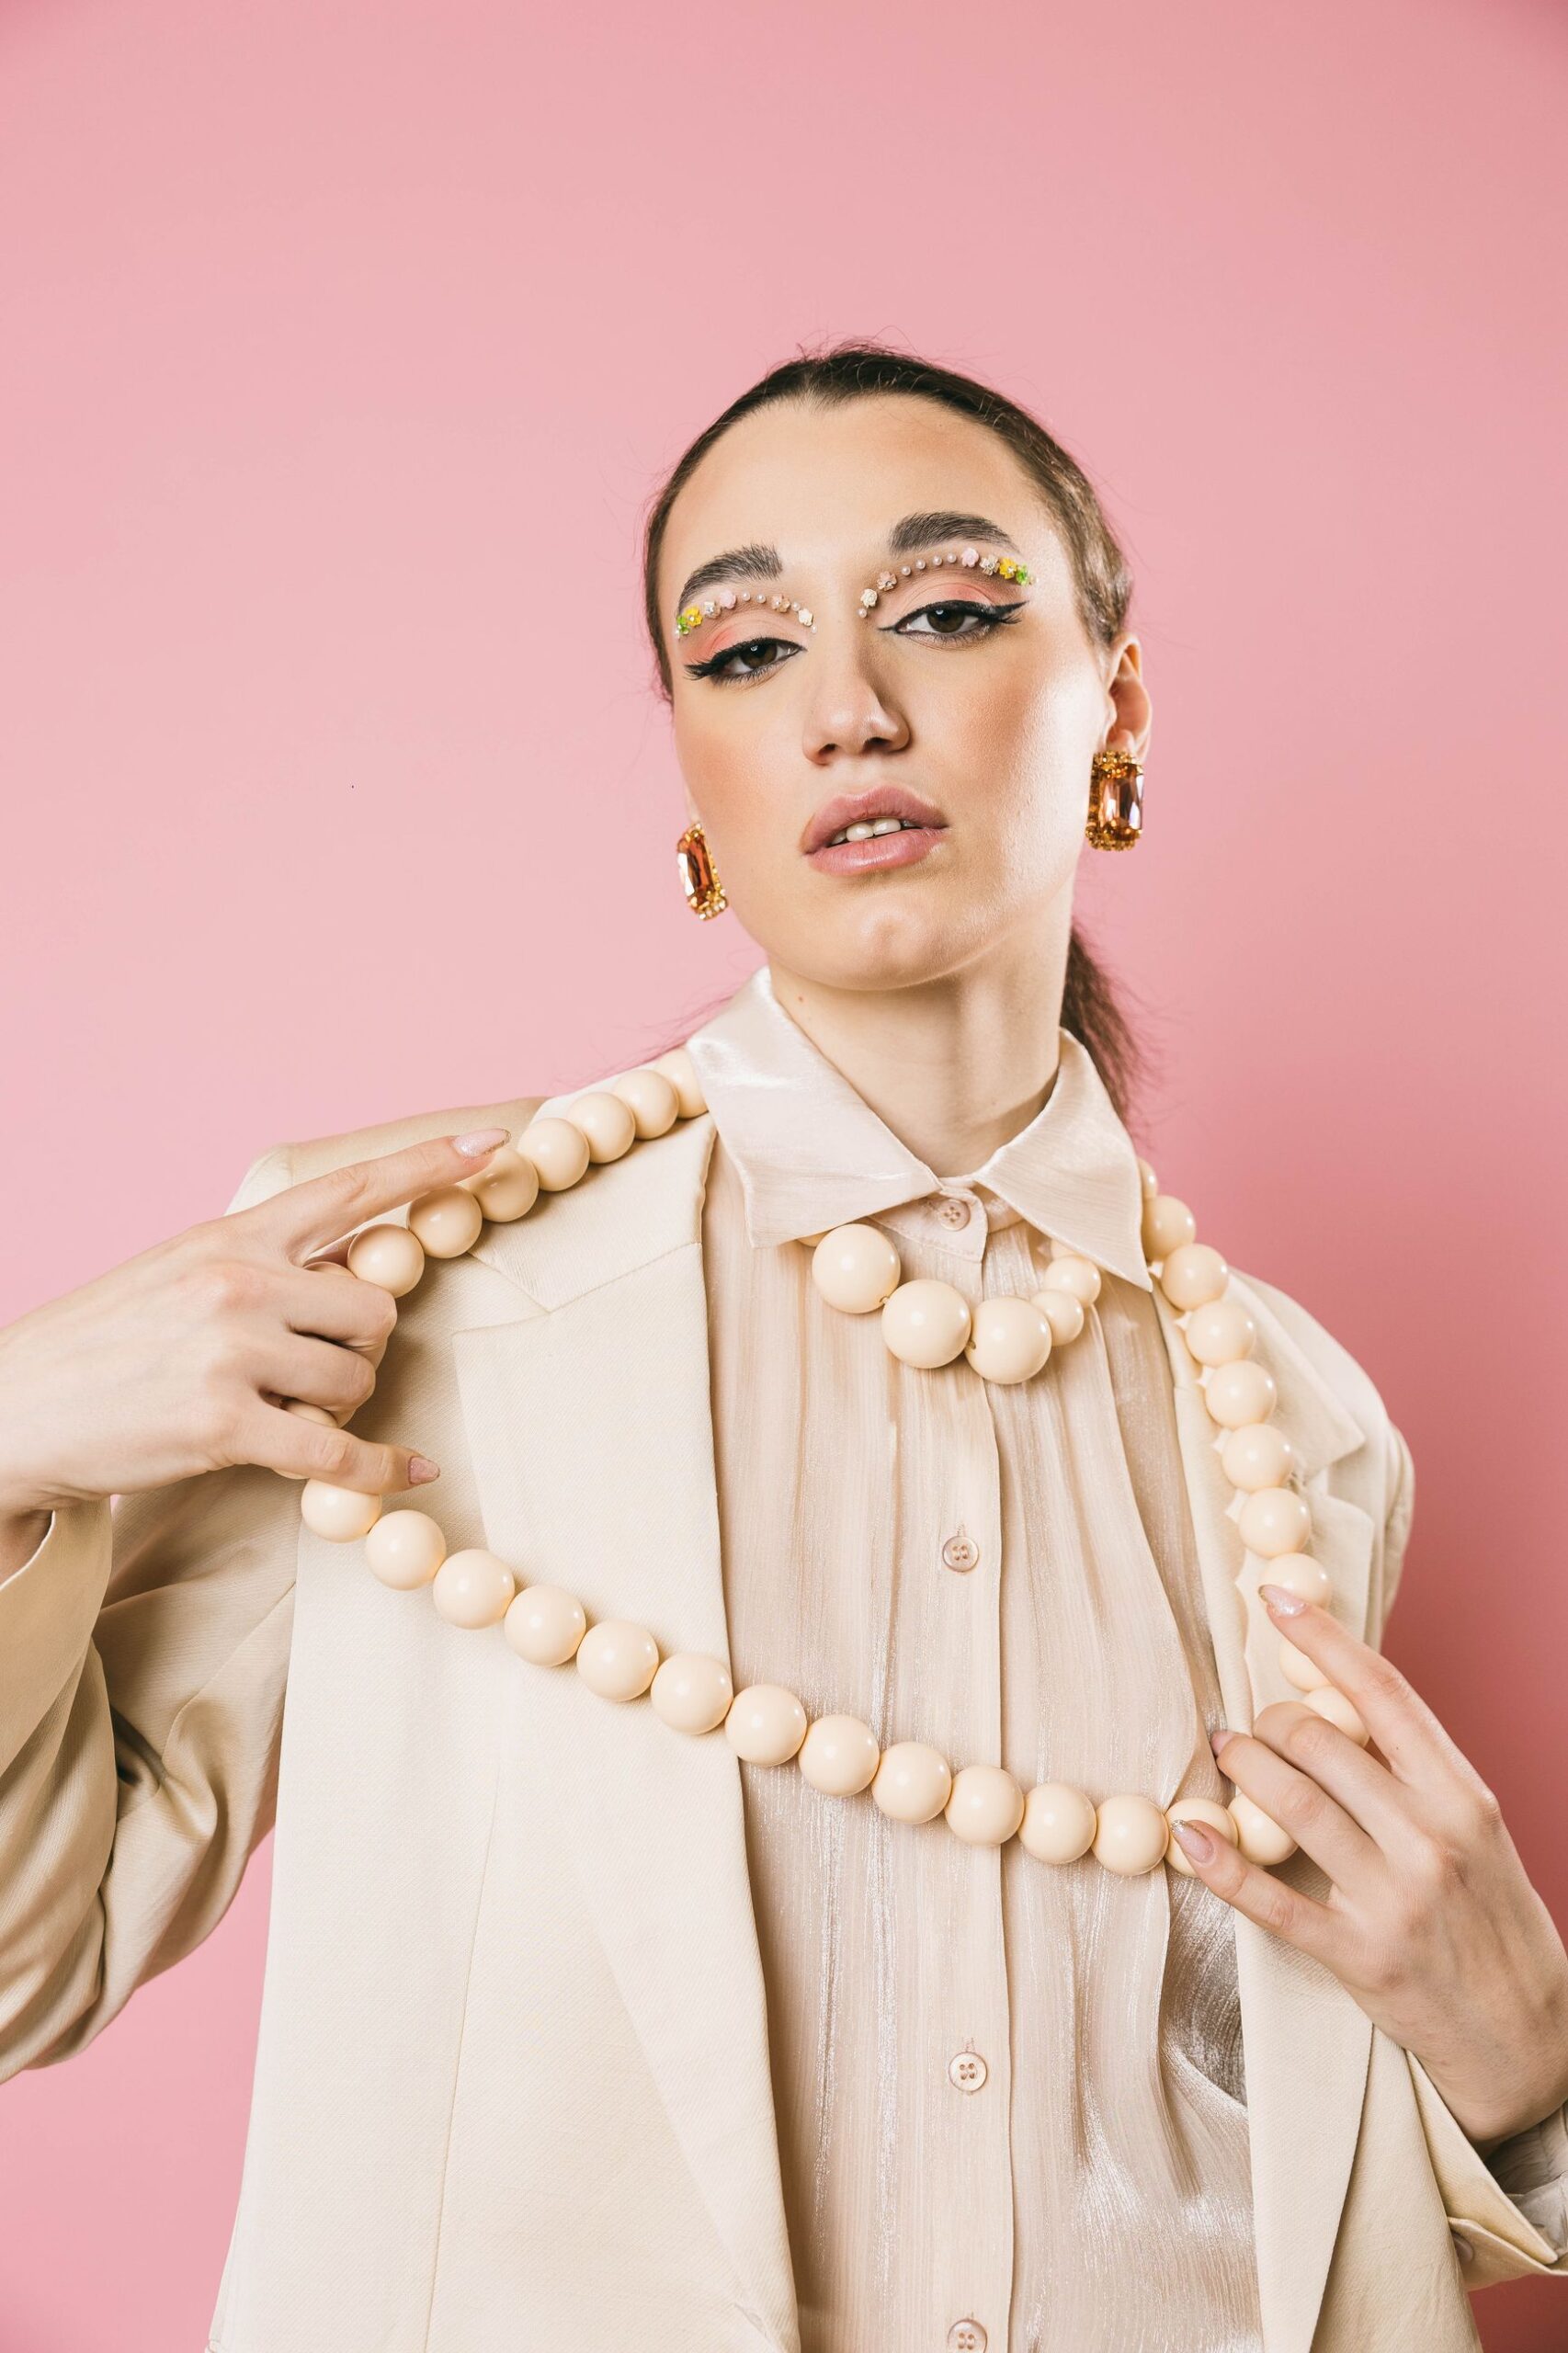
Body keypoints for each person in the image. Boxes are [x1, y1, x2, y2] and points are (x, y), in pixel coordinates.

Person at [1, 343, 1564, 2353]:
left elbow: (1262, 2148)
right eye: (745, 650)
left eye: (947, 611)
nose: (846, 709)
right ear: (691, 778)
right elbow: (27, 1966)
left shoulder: (1302, 1422)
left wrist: (1528, 2079)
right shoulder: (408, 1287)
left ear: (1117, 703)